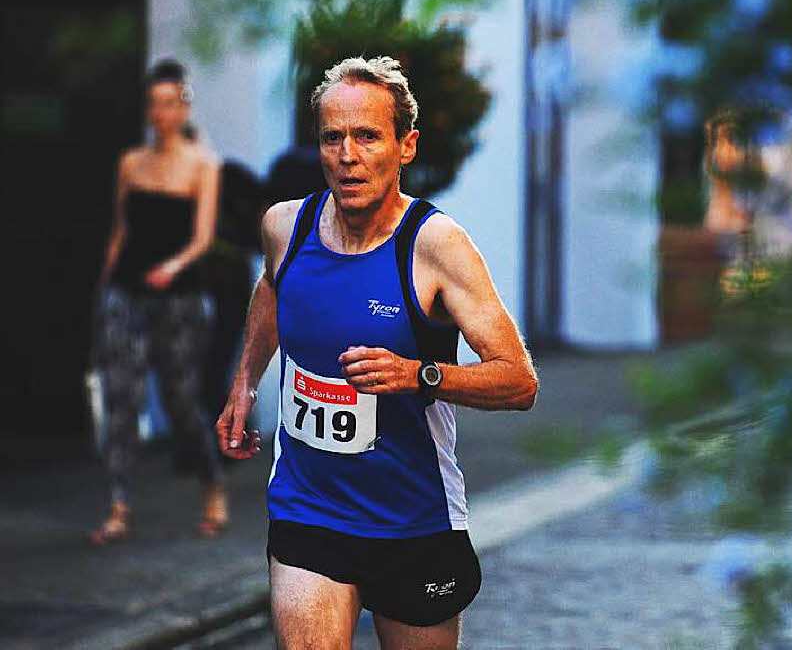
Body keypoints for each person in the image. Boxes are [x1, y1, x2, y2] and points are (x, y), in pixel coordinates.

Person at [216, 55, 538, 649]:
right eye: (332, 137)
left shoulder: (437, 247)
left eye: (367, 136)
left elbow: (519, 382)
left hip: (413, 520)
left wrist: (421, 375)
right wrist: (244, 382)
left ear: (405, 146)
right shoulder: (285, 228)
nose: (347, 154)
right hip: (308, 509)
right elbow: (272, 286)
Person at [90, 58, 228, 543]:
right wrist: (106, 287)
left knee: (180, 402)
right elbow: (122, 230)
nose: (160, 113)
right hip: (125, 292)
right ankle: (118, 506)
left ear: (184, 107)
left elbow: (203, 238)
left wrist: (172, 267)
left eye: (170, 103)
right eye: (153, 103)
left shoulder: (203, 165)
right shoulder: (130, 163)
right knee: (120, 398)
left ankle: (212, 485)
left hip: (178, 298)